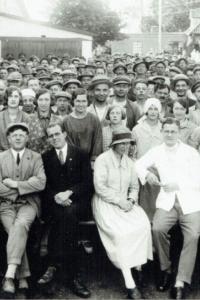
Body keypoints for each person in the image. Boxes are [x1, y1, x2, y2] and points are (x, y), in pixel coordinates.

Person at [135, 117, 200, 299]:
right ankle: (166, 269)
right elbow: (138, 164)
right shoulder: (156, 151)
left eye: (173, 131)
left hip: (191, 201)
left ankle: (181, 281)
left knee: (193, 235)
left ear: (178, 132)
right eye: (167, 131)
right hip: (167, 202)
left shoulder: (191, 152)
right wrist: (147, 174)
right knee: (157, 229)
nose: (170, 134)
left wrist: (178, 184)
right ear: (162, 132)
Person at [93, 127, 152, 299]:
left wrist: (131, 201)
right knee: (121, 235)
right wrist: (120, 201)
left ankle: (138, 267)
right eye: (122, 143)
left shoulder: (130, 162)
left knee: (143, 225)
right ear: (114, 144)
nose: (126, 147)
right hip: (105, 203)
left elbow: (134, 187)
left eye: (128, 143)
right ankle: (129, 283)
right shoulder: (103, 160)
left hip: (126, 203)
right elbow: (100, 187)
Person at [38, 122, 93, 298]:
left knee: (67, 217)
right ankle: (73, 275)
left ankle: (53, 264)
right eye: (51, 136)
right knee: (65, 218)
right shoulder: (45, 157)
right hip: (55, 204)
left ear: (64, 134)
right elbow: (43, 185)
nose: (54, 138)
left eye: (57, 134)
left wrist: (70, 192)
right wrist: (56, 197)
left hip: (77, 202)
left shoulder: (81, 154)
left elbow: (88, 182)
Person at [0, 123, 46, 296]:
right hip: (6, 204)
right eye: (14, 135)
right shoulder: (1, 157)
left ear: (27, 138)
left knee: (19, 226)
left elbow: (41, 183)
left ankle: (9, 275)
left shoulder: (35, 157)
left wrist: (15, 184)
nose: (18, 137)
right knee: (15, 231)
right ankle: (22, 277)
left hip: (29, 203)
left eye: (21, 134)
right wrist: (26, 185)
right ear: (9, 139)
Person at [132, 98, 163, 220]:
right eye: (150, 108)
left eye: (156, 109)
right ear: (146, 110)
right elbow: (133, 153)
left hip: (160, 169)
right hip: (142, 169)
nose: (153, 112)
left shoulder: (163, 128)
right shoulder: (137, 129)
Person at [63, 88, 102, 164]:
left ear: (88, 102)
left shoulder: (94, 119)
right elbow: (67, 142)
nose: (81, 104)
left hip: (90, 161)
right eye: (78, 101)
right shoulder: (66, 121)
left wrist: (93, 159)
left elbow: (97, 140)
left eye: (84, 101)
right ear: (73, 102)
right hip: (72, 160)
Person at [28, 88, 61, 153]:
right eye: (40, 100)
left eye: (46, 100)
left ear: (51, 101)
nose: (43, 103)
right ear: (36, 101)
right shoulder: (28, 119)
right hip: (34, 158)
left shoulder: (58, 120)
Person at [0, 86, 29, 151]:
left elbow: (29, 141)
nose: (13, 99)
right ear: (6, 99)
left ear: (20, 99)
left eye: (16, 96)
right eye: (10, 96)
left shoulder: (26, 117)